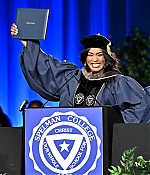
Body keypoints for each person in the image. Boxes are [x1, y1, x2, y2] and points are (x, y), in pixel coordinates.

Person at [11, 23, 150, 123]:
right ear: (85, 58)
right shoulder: (71, 78)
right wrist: (29, 43)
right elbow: (46, 68)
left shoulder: (118, 82)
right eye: (90, 54)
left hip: (105, 145)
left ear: (106, 58)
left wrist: (116, 126)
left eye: (100, 54)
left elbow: (140, 108)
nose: (94, 59)